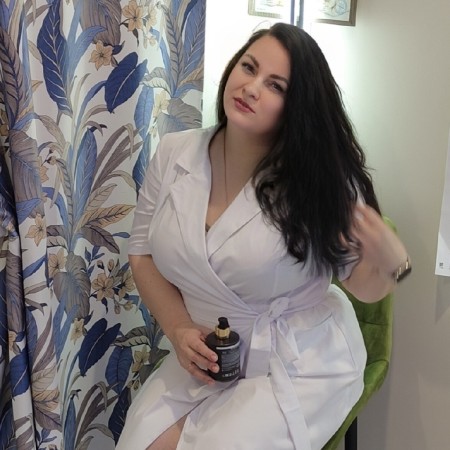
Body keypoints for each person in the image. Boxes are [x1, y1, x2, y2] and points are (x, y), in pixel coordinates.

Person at [116, 23, 410, 450]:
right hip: (205, 351)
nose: (251, 88)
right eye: (249, 67)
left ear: (297, 106)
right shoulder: (175, 152)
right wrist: (178, 328)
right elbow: (142, 253)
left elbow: (361, 286)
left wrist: (390, 260)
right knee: (141, 443)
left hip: (297, 359)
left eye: (275, 85)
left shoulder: (320, 180)